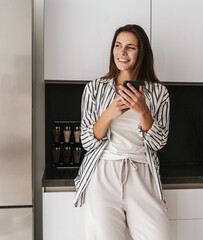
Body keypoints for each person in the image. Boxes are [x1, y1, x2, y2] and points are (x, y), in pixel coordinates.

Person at [73, 24, 171, 240]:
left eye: (130, 47)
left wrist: (143, 110)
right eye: (118, 46)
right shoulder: (94, 88)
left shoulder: (159, 92)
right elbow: (88, 142)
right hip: (102, 174)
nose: (122, 52)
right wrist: (108, 114)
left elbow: (158, 142)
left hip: (142, 173)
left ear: (141, 52)